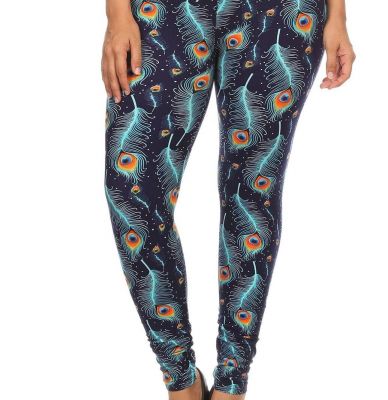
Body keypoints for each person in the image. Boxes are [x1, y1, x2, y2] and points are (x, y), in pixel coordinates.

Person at [101, 0, 356, 399]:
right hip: (165, 10)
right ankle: (180, 378)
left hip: (279, 11)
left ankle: (232, 384)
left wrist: (337, 15)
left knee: (252, 194)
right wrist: (117, 14)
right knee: (130, 188)